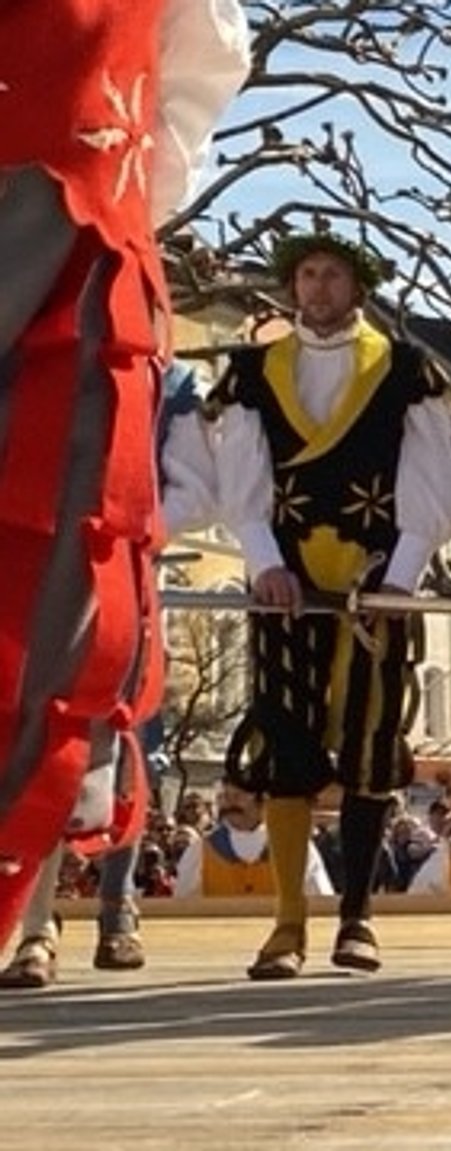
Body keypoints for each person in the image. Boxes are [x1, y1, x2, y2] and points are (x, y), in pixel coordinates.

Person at [0, 0, 248, 958]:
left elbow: (185, 85)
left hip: (80, 240)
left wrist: (129, 185)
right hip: (82, 222)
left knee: (56, 580)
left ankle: (26, 912)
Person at [212, 231, 451, 979]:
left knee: (370, 747)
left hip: (376, 581)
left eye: (333, 276)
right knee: (286, 746)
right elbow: (240, 475)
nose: (318, 288)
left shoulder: (406, 370)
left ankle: (357, 916)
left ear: (358, 288)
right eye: (308, 275)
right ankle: (288, 924)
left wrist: (403, 574)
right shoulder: (255, 372)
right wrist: (262, 563)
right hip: (287, 585)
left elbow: (431, 480)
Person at [0, 360, 219, 987]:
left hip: (122, 576)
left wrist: (133, 529)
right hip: (39, 575)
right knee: (39, 743)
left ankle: (118, 908)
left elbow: (196, 488)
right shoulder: (38, 354)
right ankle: (37, 928)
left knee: (124, 748)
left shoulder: (172, 382)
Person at [171, 782, 333, 898]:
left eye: (239, 796)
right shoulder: (200, 852)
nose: (230, 804)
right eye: (226, 796)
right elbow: (182, 905)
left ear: (263, 800)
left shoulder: (294, 848)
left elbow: (320, 900)